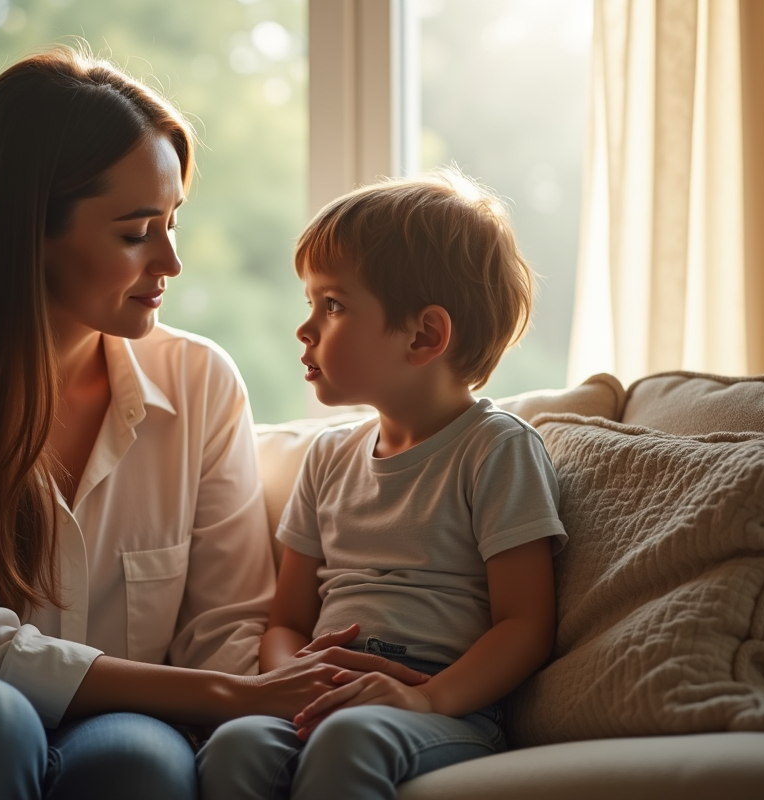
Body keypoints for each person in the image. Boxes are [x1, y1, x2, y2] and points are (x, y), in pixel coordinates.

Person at [0, 47, 428, 800]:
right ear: (27, 230)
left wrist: (295, 695)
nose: (171, 260)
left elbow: (223, 631)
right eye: (136, 233)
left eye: (172, 222)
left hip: (97, 721)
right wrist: (230, 698)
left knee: (145, 761)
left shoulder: (200, 383)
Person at [197, 171, 569, 800]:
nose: (305, 327)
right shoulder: (327, 457)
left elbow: (524, 625)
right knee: (233, 745)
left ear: (424, 335)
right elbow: (286, 621)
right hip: (320, 692)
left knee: (353, 741)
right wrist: (291, 680)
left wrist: (425, 699)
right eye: (309, 302)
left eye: (333, 305)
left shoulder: (496, 450)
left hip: (442, 708)